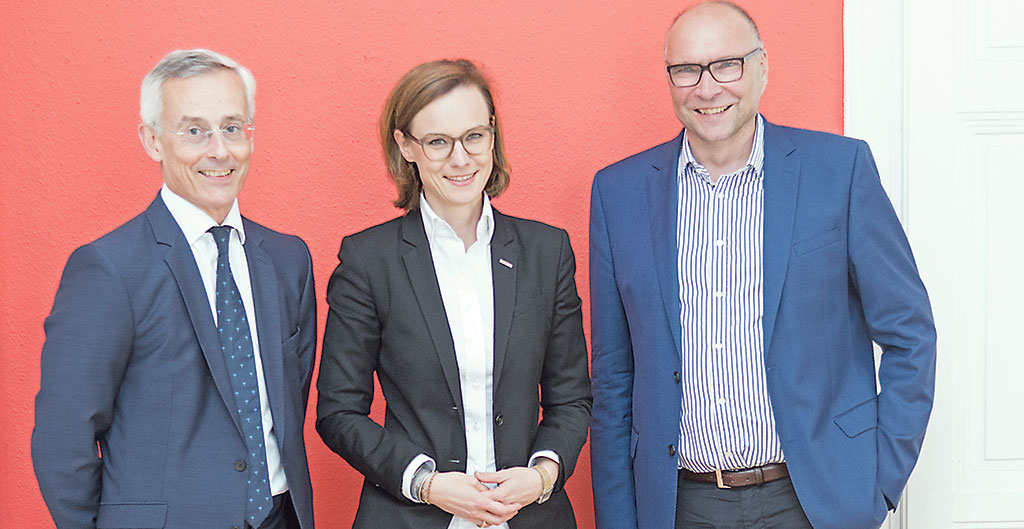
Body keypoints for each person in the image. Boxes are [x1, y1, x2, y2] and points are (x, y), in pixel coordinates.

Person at [588, 2, 937, 529]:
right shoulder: (619, 194)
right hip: (680, 506)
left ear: (762, 67)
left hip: (815, 503)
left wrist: (879, 482)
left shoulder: (839, 172)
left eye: (726, 65)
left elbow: (910, 333)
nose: (707, 88)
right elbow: (614, 378)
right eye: (686, 70)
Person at [31, 49, 316, 529]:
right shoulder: (108, 268)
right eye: (194, 131)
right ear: (153, 140)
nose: (219, 150)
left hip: (281, 517)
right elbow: (63, 438)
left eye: (232, 127)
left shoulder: (289, 260)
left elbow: (290, 400)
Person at [315, 59, 591, 529]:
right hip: (410, 516)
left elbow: (572, 397)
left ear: (492, 134)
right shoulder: (368, 260)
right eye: (438, 142)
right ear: (406, 146)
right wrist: (427, 484)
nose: (460, 159)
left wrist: (541, 476)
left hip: (529, 516)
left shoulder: (547, 252)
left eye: (474, 136)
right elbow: (339, 411)